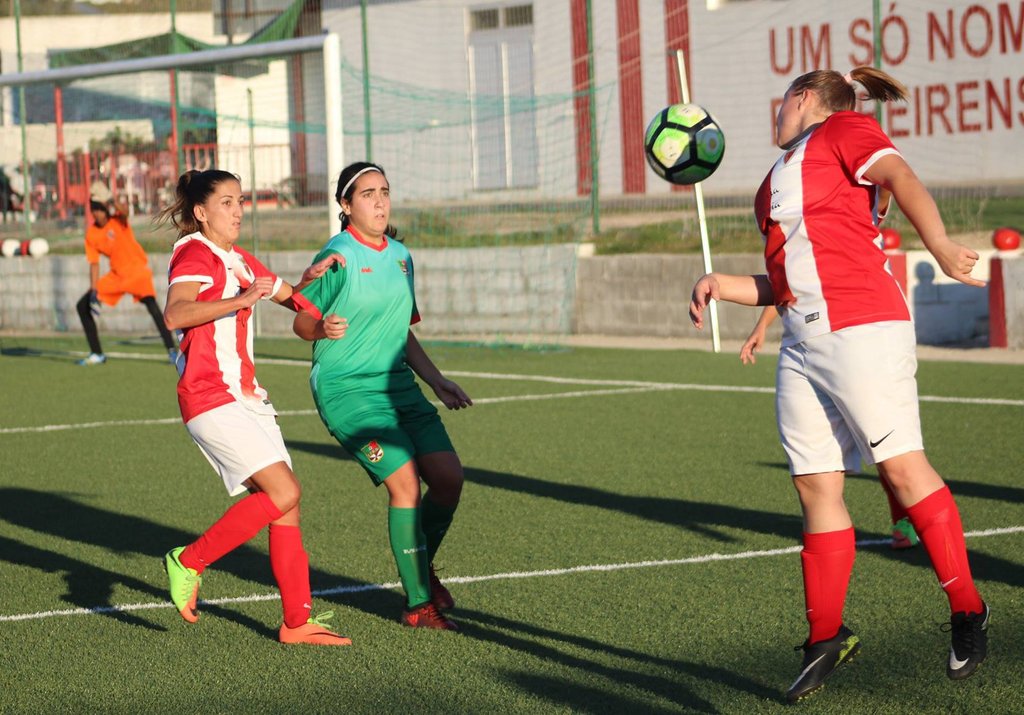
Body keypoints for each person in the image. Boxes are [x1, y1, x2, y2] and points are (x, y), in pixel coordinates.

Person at [688, 67, 989, 703]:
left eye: (782, 103)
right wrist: (721, 284)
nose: (775, 115)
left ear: (802, 99)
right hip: (801, 343)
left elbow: (899, 175)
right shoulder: (773, 181)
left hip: (862, 326)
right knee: (814, 485)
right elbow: (781, 283)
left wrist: (937, 243)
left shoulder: (844, 129)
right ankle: (825, 638)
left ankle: (968, 608)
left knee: (901, 469)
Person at [157, 169, 350, 646]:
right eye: (226, 202)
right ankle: (188, 560)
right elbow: (176, 312)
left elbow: (289, 298)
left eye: (240, 200)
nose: (238, 210)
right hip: (209, 395)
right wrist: (238, 299)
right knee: (283, 491)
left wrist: (312, 290)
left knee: (286, 505)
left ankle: (296, 622)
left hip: (247, 398)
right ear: (201, 212)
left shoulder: (238, 258)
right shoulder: (195, 252)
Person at [293, 162, 472, 631]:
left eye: (384, 192)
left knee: (448, 478)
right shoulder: (338, 255)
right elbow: (300, 319)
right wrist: (320, 326)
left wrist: (436, 380)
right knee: (405, 483)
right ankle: (418, 604)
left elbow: (401, 332)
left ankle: (422, 567)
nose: (379, 202)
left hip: (399, 387)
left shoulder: (401, 257)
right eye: (367, 194)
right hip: (347, 390)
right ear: (346, 205)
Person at [739, 184, 920, 552]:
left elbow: (888, 184)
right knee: (833, 455)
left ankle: (904, 516)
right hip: (827, 337)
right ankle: (847, 521)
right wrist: (762, 326)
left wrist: (881, 170)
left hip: (868, 332)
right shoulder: (815, 221)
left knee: (886, 446)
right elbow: (794, 281)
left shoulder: (864, 207)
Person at [76, 195, 178, 366]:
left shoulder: (117, 220)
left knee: (153, 307)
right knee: (82, 305)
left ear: (106, 209)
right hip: (116, 276)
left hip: (136, 272)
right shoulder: (92, 234)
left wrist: (111, 199)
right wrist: (93, 289)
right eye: (94, 210)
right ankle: (97, 354)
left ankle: (172, 351)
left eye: (100, 209)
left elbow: (124, 212)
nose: (97, 213)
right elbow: (94, 263)